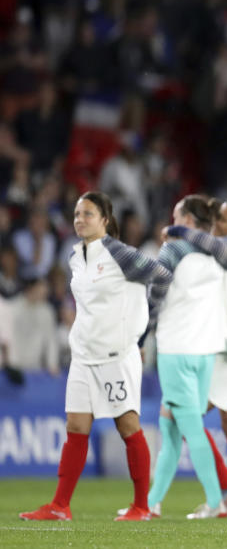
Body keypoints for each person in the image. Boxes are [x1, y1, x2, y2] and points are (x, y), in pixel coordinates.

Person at [20, 192, 167, 522]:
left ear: (104, 220)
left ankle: (142, 506)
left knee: (127, 426)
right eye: (76, 214)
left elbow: (162, 277)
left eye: (87, 214)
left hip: (115, 355)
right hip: (83, 355)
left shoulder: (121, 254)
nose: (79, 219)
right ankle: (60, 506)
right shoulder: (75, 256)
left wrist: (145, 329)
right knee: (75, 426)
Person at [165, 196, 227, 518]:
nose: (215, 224)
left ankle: (226, 489)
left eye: (221, 219)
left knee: (181, 417)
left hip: (225, 349)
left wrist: (183, 233)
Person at [145, 194, 227, 519]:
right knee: (170, 429)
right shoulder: (217, 253)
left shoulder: (172, 250)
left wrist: (145, 325)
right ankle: (151, 502)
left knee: (191, 430)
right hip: (204, 351)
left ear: (189, 222)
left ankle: (215, 501)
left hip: (175, 349)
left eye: (176, 218)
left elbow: (156, 288)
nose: (172, 224)